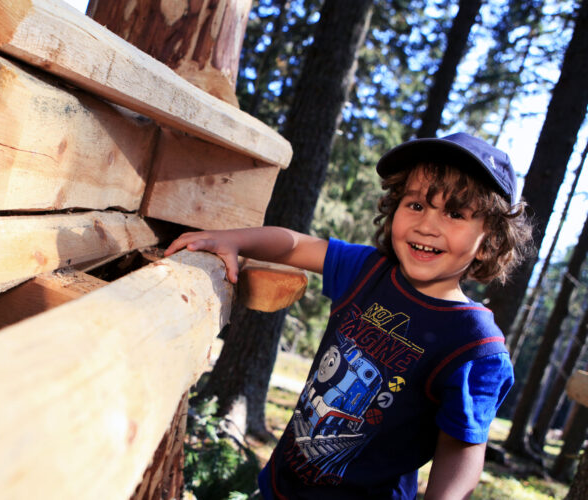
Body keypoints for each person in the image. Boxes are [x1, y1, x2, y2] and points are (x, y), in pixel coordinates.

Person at [164, 132, 533, 499]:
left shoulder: (475, 344)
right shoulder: (367, 271)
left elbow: (461, 450)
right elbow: (295, 244)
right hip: (278, 488)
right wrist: (234, 239)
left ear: (490, 240)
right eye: (417, 205)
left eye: (455, 213)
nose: (427, 226)